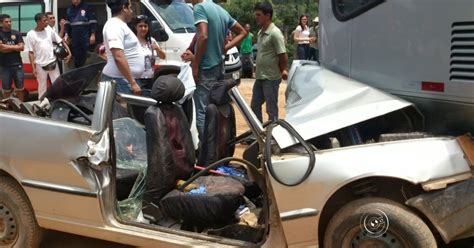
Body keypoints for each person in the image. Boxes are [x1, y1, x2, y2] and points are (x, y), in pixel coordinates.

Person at [191, 0, 247, 138]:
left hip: (206, 67)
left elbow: (203, 36)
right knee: (216, 108)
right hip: (219, 67)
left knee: (203, 111)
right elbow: (242, 32)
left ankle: (207, 151)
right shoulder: (220, 10)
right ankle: (216, 146)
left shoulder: (199, 8)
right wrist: (225, 48)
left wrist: (195, 64)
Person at [251, 2, 288, 123]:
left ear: (268, 15)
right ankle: (258, 135)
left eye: (259, 15)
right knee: (254, 106)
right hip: (260, 77)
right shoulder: (260, 32)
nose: (256, 17)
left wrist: (280, 70)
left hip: (271, 78)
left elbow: (283, 56)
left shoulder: (275, 33)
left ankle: (272, 135)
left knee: (271, 109)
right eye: (256, 14)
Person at [101, 0, 143, 95]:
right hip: (120, 81)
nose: (132, 11)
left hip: (124, 80)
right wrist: (132, 83)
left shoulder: (121, 25)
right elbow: (118, 56)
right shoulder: (114, 25)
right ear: (124, 8)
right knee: (121, 110)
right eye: (130, 7)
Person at [26, 13, 71, 100]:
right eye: (45, 20)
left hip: (53, 62)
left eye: (47, 20)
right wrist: (33, 68)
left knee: (57, 84)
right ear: (38, 22)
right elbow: (30, 52)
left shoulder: (49, 30)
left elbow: (60, 41)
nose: (47, 22)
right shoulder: (30, 34)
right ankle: (41, 105)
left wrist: (69, 52)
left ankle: (59, 102)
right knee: (42, 87)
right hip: (40, 65)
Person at [131, 15, 166, 88]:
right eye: (140, 26)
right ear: (135, 27)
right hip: (136, 79)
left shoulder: (151, 41)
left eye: (145, 26)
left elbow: (163, 56)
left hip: (150, 78)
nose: (143, 28)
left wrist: (157, 49)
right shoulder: (132, 42)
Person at [0, 14, 26, 101]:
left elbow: (21, 48)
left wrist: (6, 46)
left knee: (20, 88)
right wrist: (15, 47)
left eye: (10, 21)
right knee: (6, 89)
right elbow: (1, 49)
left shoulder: (16, 33)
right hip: (4, 66)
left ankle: (21, 107)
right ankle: (7, 108)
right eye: (6, 22)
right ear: (1, 23)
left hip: (17, 65)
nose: (9, 23)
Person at [64, 0, 97, 68]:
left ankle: (89, 69)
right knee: (76, 53)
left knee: (87, 52)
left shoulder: (87, 6)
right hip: (74, 34)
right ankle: (78, 69)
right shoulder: (69, 9)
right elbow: (67, 23)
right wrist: (67, 34)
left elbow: (93, 21)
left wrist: (93, 34)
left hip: (85, 33)